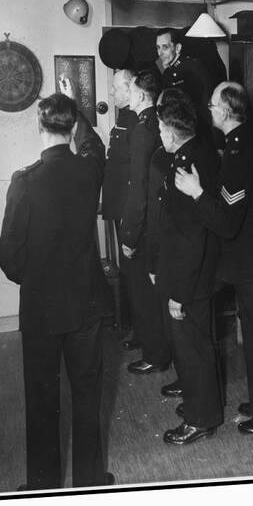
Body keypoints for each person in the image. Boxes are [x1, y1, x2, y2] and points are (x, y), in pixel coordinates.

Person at [0, 93, 113, 490]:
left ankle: (43, 486)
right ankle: (92, 481)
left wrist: (31, 279)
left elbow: (9, 253)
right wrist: (78, 110)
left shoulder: (25, 181)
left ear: (39, 127)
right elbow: (95, 147)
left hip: (42, 310)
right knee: (87, 396)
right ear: (74, 128)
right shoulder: (89, 170)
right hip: (87, 305)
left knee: (42, 401)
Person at [174, 81, 253, 434]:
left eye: (211, 104)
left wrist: (196, 193)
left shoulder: (240, 155)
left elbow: (226, 221)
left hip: (251, 263)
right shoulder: (246, 144)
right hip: (252, 258)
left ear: (223, 111)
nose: (208, 109)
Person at [149, 89, 223, 444]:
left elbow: (189, 236)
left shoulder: (185, 166)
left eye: (161, 129)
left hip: (190, 280)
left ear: (172, 133)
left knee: (192, 349)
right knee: (197, 346)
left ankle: (200, 418)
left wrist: (178, 292)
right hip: (199, 274)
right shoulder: (201, 151)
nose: (160, 135)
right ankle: (202, 403)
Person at [120, 69, 171, 375]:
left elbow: (137, 187)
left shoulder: (142, 130)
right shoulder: (158, 122)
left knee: (143, 294)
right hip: (160, 219)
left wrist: (129, 234)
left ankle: (155, 354)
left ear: (139, 95)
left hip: (144, 224)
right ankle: (158, 349)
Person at [102, 69, 139, 345]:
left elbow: (134, 174)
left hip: (129, 209)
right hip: (119, 206)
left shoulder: (135, 120)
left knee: (135, 272)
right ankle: (138, 329)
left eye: (116, 88)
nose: (112, 93)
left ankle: (144, 332)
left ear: (130, 89)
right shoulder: (124, 118)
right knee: (128, 272)